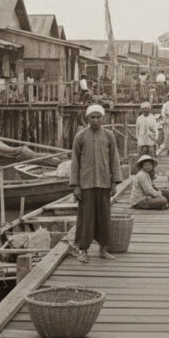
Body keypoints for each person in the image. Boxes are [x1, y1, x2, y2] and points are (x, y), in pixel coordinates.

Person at [69, 104, 122, 263]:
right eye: (92, 117)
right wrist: (76, 186)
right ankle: (83, 249)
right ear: (87, 118)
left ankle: (103, 248)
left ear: (103, 118)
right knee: (86, 218)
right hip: (86, 184)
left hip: (104, 182)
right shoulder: (80, 136)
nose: (96, 120)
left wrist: (114, 183)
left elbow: (114, 160)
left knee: (104, 217)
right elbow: (75, 162)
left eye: (99, 117)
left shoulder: (109, 136)